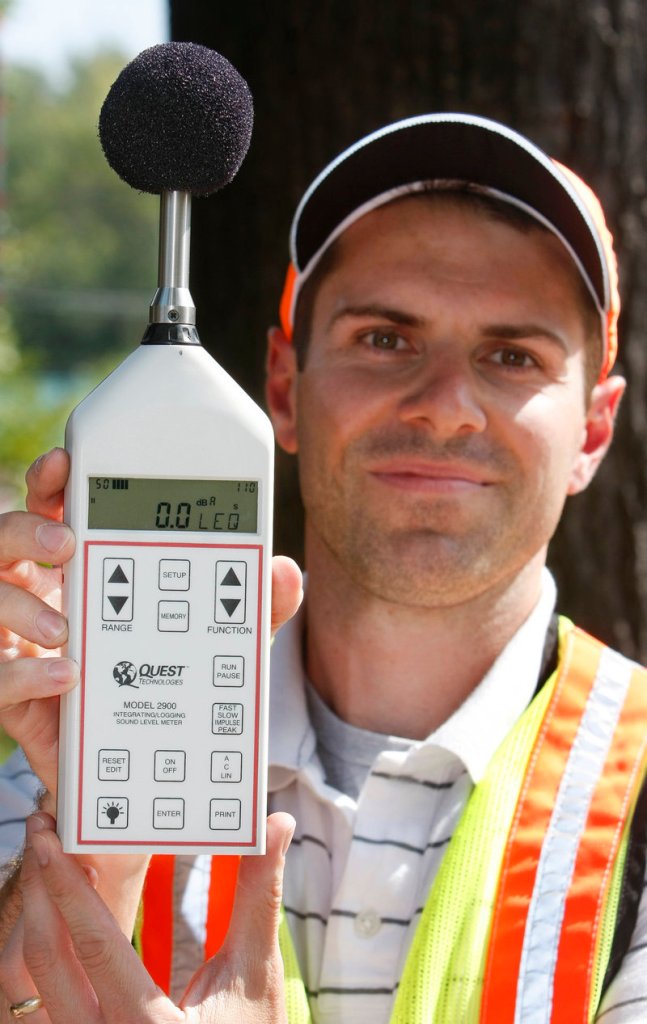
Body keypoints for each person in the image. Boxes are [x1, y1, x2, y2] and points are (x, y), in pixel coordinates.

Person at [0, 111, 645, 1023]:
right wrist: (81, 854)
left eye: (511, 355)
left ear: (591, 430)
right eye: (385, 337)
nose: (446, 407)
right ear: (281, 390)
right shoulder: (74, 748)